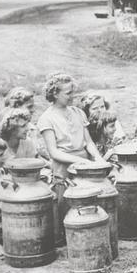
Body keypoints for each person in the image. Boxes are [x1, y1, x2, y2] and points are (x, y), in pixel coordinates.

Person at [37, 73, 107, 224]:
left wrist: (98, 159)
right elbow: (53, 152)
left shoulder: (78, 112)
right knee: (68, 208)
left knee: (90, 205)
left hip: (85, 165)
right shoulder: (46, 118)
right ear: (55, 93)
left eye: (73, 92)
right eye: (68, 93)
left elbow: (88, 142)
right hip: (64, 168)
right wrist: (80, 161)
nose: (72, 96)